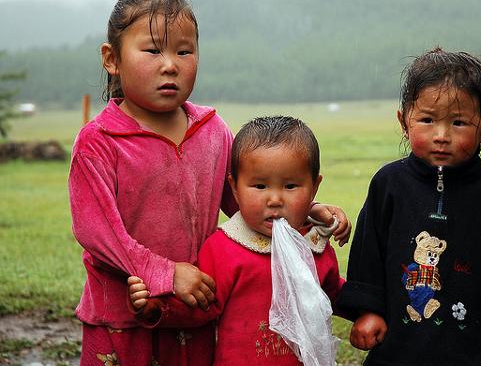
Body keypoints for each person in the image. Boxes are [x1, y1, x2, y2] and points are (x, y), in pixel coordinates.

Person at [68, 0, 350, 366]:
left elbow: (246, 199)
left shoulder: (211, 129)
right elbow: (97, 232)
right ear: (111, 58)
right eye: (153, 50)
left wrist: (306, 212)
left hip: (197, 308)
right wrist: (165, 274)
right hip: (121, 316)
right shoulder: (99, 141)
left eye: (184, 51)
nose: (170, 65)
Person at [336, 47, 481, 366]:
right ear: (404, 121)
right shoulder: (388, 185)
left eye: (459, 122)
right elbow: (368, 255)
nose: (442, 135)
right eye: (427, 120)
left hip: (476, 349)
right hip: (398, 348)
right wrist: (368, 310)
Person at [128, 116, 346, 365]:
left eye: (290, 186)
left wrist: (370, 312)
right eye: (260, 186)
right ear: (234, 188)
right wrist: (156, 306)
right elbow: (200, 305)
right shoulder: (224, 248)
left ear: (314, 188)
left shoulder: (313, 245)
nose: (274, 199)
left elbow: (332, 294)